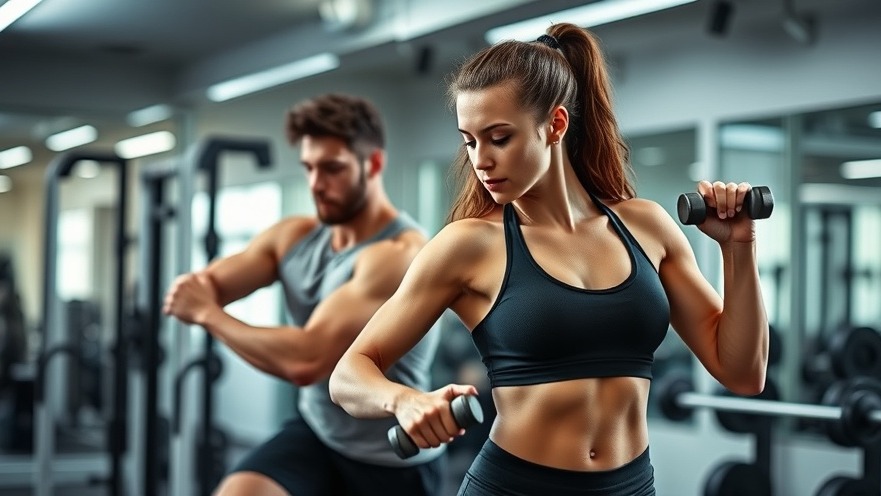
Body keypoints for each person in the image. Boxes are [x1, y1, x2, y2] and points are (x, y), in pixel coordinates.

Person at [328, 23, 769, 496]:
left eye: (499, 138)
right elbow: (349, 375)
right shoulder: (469, 245)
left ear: (554, 125)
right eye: (470, 141)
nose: (481, 160)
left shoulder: (646, 227)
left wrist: (737, 247)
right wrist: (404, 401)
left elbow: (742, 373)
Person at [163, 93, 447, 496]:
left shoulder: (399, 255)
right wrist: (201, 296)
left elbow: (306, 360)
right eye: (309, 168)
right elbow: (205, 287)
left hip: (392, 457)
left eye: (332, 169)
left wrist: (209, 315)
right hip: (318, 434)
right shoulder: (294, 237)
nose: (316, 184)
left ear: (374, 164)